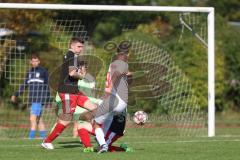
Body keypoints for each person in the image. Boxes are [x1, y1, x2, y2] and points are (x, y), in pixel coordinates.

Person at [41, 37, 106, 150]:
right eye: (79, 46)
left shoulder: (73, 57)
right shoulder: (71, 55)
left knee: (95, 109)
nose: (81, 49)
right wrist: (81, 75)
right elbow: (72, 74)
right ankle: (47, 141)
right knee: (66, 119)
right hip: (67, 92)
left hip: (75, 91)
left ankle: (99, 135)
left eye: (82, 47)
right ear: (72, 45)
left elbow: (73, 72)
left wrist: (80, 73)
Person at [11, 54, 50, 139]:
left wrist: (47, 100)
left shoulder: (43, 71)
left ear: (39, 62)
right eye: (33, 61)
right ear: (30, 62)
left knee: (32, 119)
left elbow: (47, 86)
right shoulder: (29, 73)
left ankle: (30, 138)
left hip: (39, 99)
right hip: (32, 100)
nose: (35, 63)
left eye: (36, 61)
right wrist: (16, 94)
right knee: (38, 120)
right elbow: (24, 85)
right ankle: (44, 138)